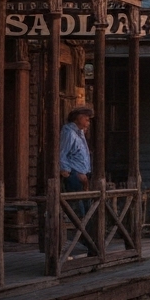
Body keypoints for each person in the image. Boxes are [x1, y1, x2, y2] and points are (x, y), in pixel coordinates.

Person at [59, 105, 95, 257]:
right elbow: (62, 153)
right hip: (74, 176)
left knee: (87, 211)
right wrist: (69, 172)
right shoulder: (68, 132)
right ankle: (83, 242)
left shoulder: (79, 133)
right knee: (79, 211)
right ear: (78, 118)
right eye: (86, 118)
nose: (88, 121)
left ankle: (89, 243)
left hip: (82, 176)